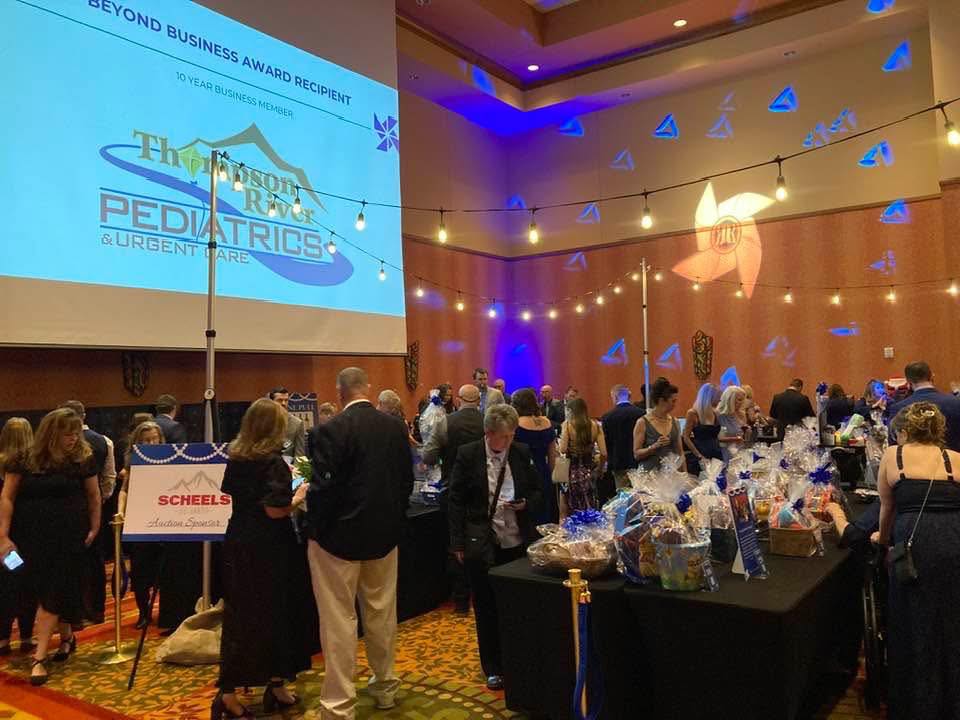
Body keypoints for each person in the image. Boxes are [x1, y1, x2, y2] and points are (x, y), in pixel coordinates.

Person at [306, 367, 415, 719]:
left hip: (336, 541)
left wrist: (316, 528)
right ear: (368, 388)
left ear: (339, 393)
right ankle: (385, 686)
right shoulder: (395, 428)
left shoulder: (328, 431)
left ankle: (339, 705)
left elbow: (323, 492)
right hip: (384, 535)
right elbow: (406, 481)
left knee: (339, 621)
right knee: (382, 614)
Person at [212, 399, 312, 720]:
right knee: (276, 614)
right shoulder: (272, 462)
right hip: (269, 547)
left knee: (241, 617)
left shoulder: (237, 458)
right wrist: (299, 496)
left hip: (238, 542)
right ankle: (255, 688)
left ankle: (253, 686)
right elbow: (274, 510)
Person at [0, 408, 101, 685]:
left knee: (52, 591)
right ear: (51, 433)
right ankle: (66, 637)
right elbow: (7, 497)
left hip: (68, 537)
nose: (73, 438)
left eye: (76, 433)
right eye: (68, 434)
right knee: (25, 585)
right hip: (26, 538)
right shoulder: (23, 459)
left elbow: (93, 495)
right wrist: (3, 535)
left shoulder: (82, 458)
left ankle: (39, 657)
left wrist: (95, 527)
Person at [448, 403, 542, 691]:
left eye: (512, 434)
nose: (510, 440)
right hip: (482, 540)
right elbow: (456, 500)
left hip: (516, 539)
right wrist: (457, 542)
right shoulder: (468, 454)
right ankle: (493, 667)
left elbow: (538, 491)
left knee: (517, 603)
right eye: (505, 436)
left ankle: (519, 660)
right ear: (489, 433)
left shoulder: (521, 452)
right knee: (486, 605)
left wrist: (526, 504)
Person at [877, 402, 960, 719]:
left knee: (912, 620)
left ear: (904, 430)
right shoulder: (955, 459)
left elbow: (887, 509)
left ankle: (916, 703)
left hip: (915, 544)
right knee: (951, 620)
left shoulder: (893, 456)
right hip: (953, 542)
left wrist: (883, 543)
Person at [420, 385, 485, 614]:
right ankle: (483, 596)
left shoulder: (445, 422)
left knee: (455, 544)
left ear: (458, 399)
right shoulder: (486, 421)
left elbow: (429, 456)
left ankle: (460, 601)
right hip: (484, 490)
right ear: (478, 400)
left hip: (453, 489)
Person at [60, 400, 115, 626]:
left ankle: (75, 614)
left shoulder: (56, 450)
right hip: (94, 509)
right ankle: (97, 610)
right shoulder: (104, 441)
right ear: (84, 415)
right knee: (95, 562)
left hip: (72, 513)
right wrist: (100, 503)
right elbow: (109, 479)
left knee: (71, 566)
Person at [117, 421, 165, 629]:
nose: (151, 443)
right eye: (146, 440)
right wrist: (121, 511)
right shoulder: (134, 462)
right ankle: (143, 613)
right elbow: (124, 490)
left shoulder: (170, 460)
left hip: (164, 520)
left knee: (163, 569)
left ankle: (166, 612)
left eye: (155, 439)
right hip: (141, 520)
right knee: (140, 571)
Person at [0, 418, 35, 655]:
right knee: (25, 585)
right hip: (22, 534)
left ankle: (3, 639)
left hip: (3, 535)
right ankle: (26, 636)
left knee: (5, 586)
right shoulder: (31, 467)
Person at [885, 361, 960, 452]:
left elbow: (894, 445)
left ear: (908, 382)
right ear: (932, 377)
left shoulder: (899, 408)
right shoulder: (956, 402)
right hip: (955, 459)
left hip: (914, 460)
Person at [512, 388, 558, 524]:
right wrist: (551, 476)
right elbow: (552, 456)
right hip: (543, 470)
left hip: (524, 472)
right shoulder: (547, 422)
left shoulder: (516, 424)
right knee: (545, 510)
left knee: (528, 515)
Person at [558, 398, 607, 516]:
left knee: (570, 504)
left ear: (570, 411)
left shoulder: (567, 425)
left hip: (570, 470)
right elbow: (604, 453)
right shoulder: (596, 425)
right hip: (589, 469)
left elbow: (563, 449)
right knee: (590, 504)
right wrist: (600, 469)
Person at [634, 378, 686, 473]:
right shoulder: (642, 422)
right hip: (649, 476)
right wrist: (653, 447)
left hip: (670, 476)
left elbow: (680, 452)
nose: (675, 404)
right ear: (662, 400)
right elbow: (636, 454)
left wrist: (685, 474)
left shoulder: (675, 422)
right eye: (673, 401)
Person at [601, 385, 645, 490]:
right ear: (629, 396)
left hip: (618, 463)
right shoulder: (642, 413)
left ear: (615, 397)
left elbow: (607, 442)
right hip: (638, 463)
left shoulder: (607, 417)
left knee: (623, 495)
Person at [682, 383, 723, 476]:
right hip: (700, 454)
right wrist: (699, 456)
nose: (720, 399)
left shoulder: (716, 413)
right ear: (709, 397)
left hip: (716, 454)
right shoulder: (693, 413)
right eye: (718, 397)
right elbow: (686, 437)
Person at [268, 387, 307, 461]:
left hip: (288, 465)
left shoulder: (297, 423)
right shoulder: (263, 421)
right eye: (279, 400)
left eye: (286, 400)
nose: (283, 403)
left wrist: (299, 468)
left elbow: (300, 455)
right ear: (271, 402)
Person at [717, 386, 750, 462]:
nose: (742, 402)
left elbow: (744, 438)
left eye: (743, 400)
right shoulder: (720, 415)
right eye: (739, 400)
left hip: (740, 452)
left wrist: (748, 432)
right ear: (730, 400)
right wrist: (735, 439)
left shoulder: (742, 414)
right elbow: (717, 439)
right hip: (725, 453)